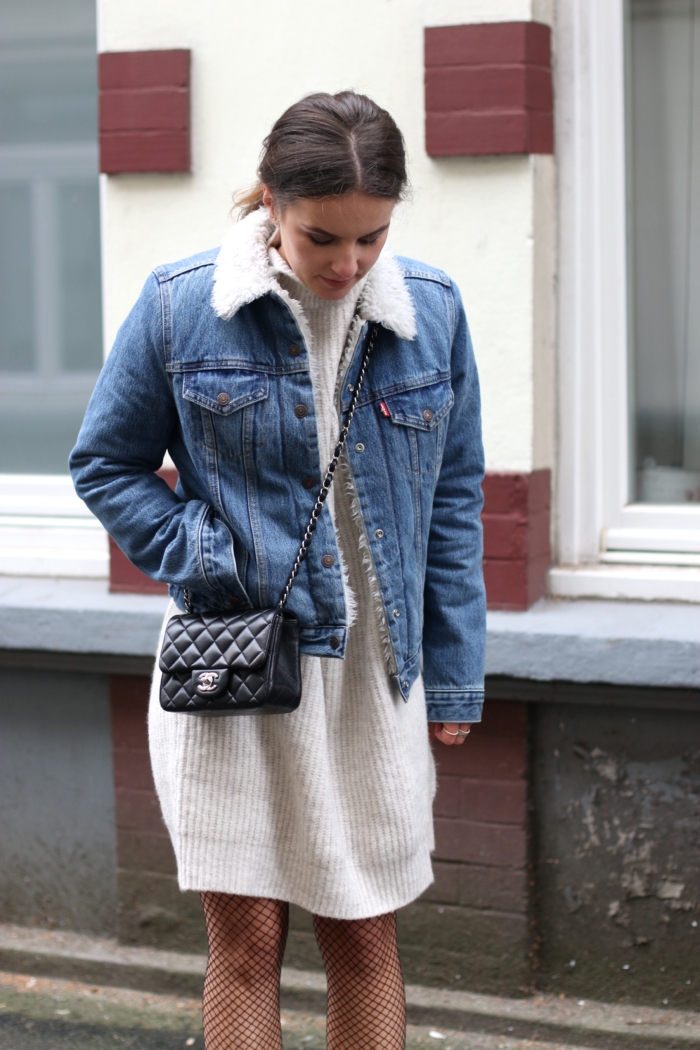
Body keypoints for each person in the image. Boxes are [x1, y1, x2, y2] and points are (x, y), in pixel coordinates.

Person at [71, 90, 486, 1050]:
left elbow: (451, 504)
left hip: (369, 678)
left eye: (372, 239)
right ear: (269, 204)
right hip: (237, 667)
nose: (347, 266)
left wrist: (457, 669)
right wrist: (205, 554)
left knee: (365, 935)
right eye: (321, 239)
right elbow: (105, 462)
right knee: (249, 944)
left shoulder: (432, 312)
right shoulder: (184, 306)